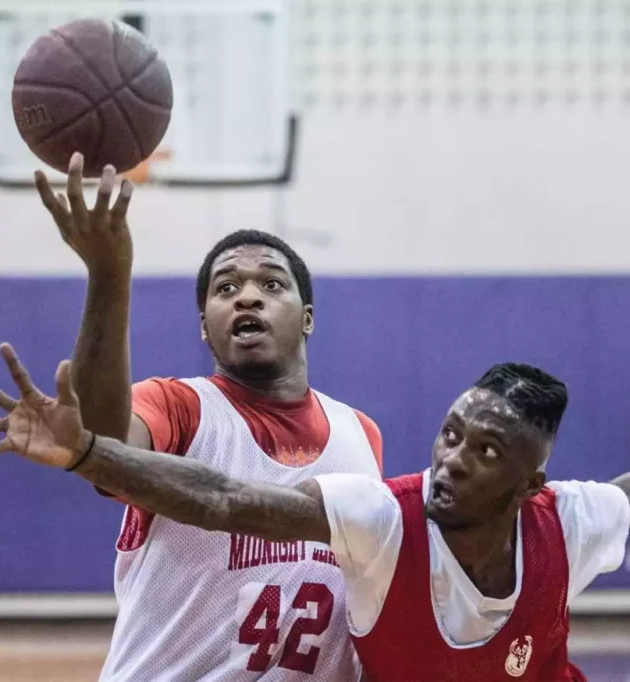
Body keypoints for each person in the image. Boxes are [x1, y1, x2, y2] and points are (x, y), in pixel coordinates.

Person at [0, 282, 630, 681]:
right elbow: (226, 501)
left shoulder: (569, 521)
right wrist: (85, 454)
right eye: (451, 432)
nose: (455, 457)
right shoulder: (384, 519)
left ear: (531, 476)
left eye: (486, 450)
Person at [31, 153, 383, 681]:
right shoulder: (180, 407)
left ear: (306, 318)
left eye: (271, 284)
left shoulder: (361, 434)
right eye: (225, 288)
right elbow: (101, 446)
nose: (247, 297)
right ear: (204, 327)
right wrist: (109, 273)